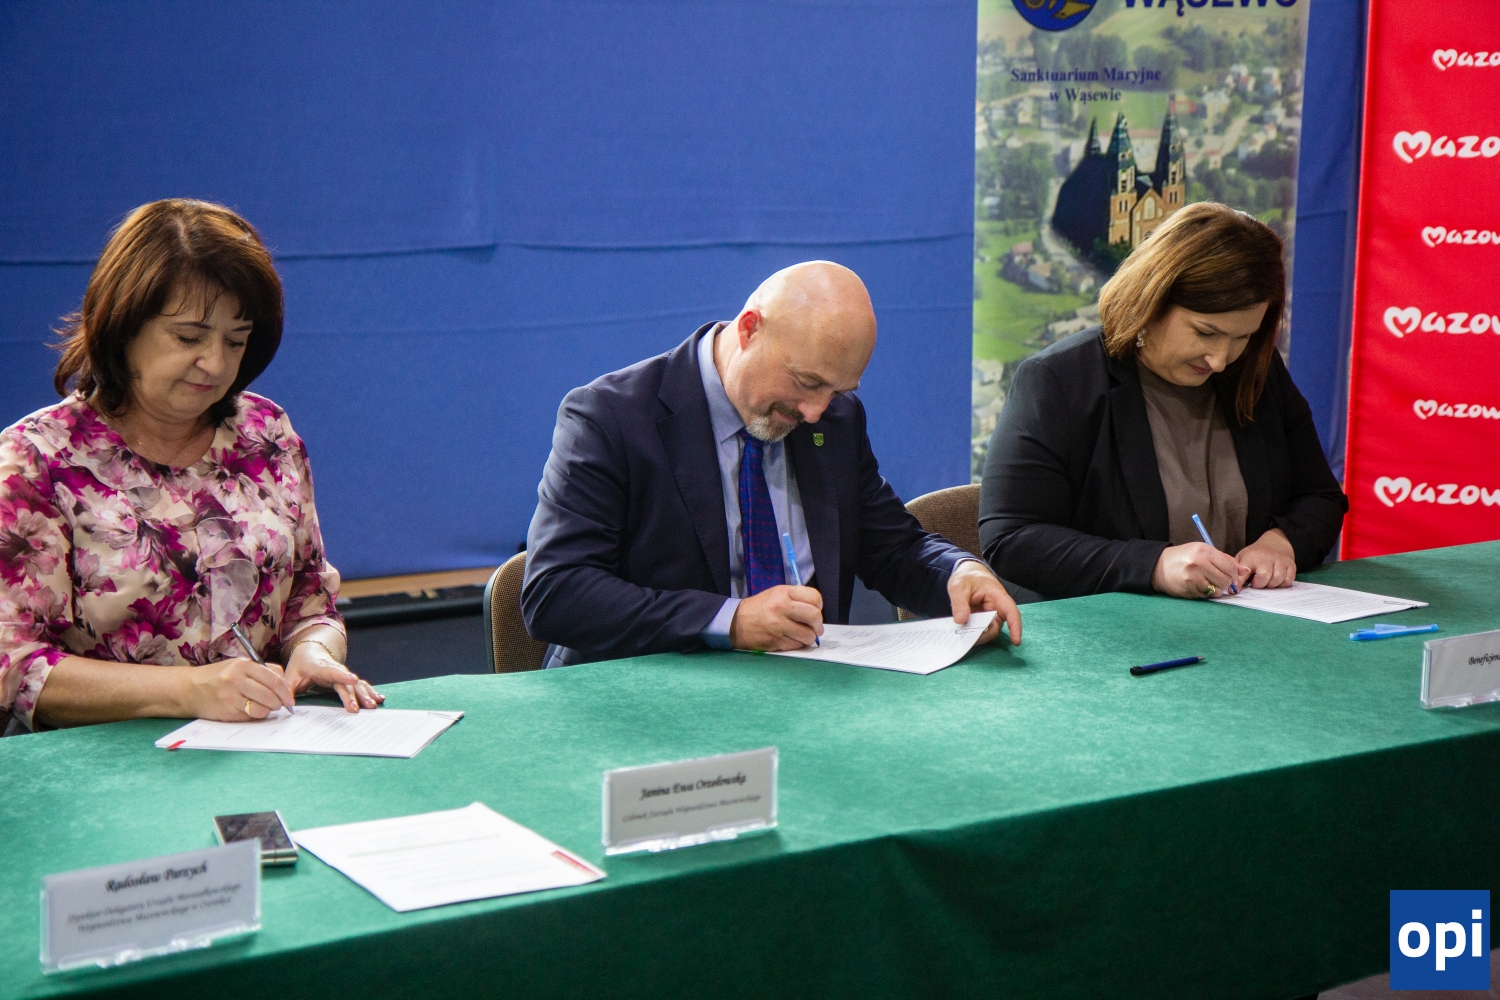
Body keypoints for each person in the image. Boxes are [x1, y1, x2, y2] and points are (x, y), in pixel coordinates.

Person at [0, 199, 382, 733]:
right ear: (122, 324)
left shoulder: (266, 433)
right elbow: (15, 666)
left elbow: (310, 599)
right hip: (102, 761)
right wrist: (190, 691)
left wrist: (313, 651)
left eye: (236, 340)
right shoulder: (35, 459)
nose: (216, 363)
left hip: (259, 743)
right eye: (188, 337)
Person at [523, 261, 1021, 667]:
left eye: (837, 390)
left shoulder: (836, 420)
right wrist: (731, 621)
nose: (815, 412)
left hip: (803, 695)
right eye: (807, 382)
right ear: (748, 330)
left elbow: (892, 546)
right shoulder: (610, 418)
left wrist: (958, 572)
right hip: (646, 705)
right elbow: (556, 592)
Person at [978, 203, 1347, 601]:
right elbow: (1011, 539)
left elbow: (1320, 496)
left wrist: (1280, 541)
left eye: (1242, 337)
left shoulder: (1257, 370)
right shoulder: (1058, 380)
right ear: (1151, 300)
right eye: (1206, 333)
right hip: (1104, 628)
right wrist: (1154, 566)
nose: (1220, 360)